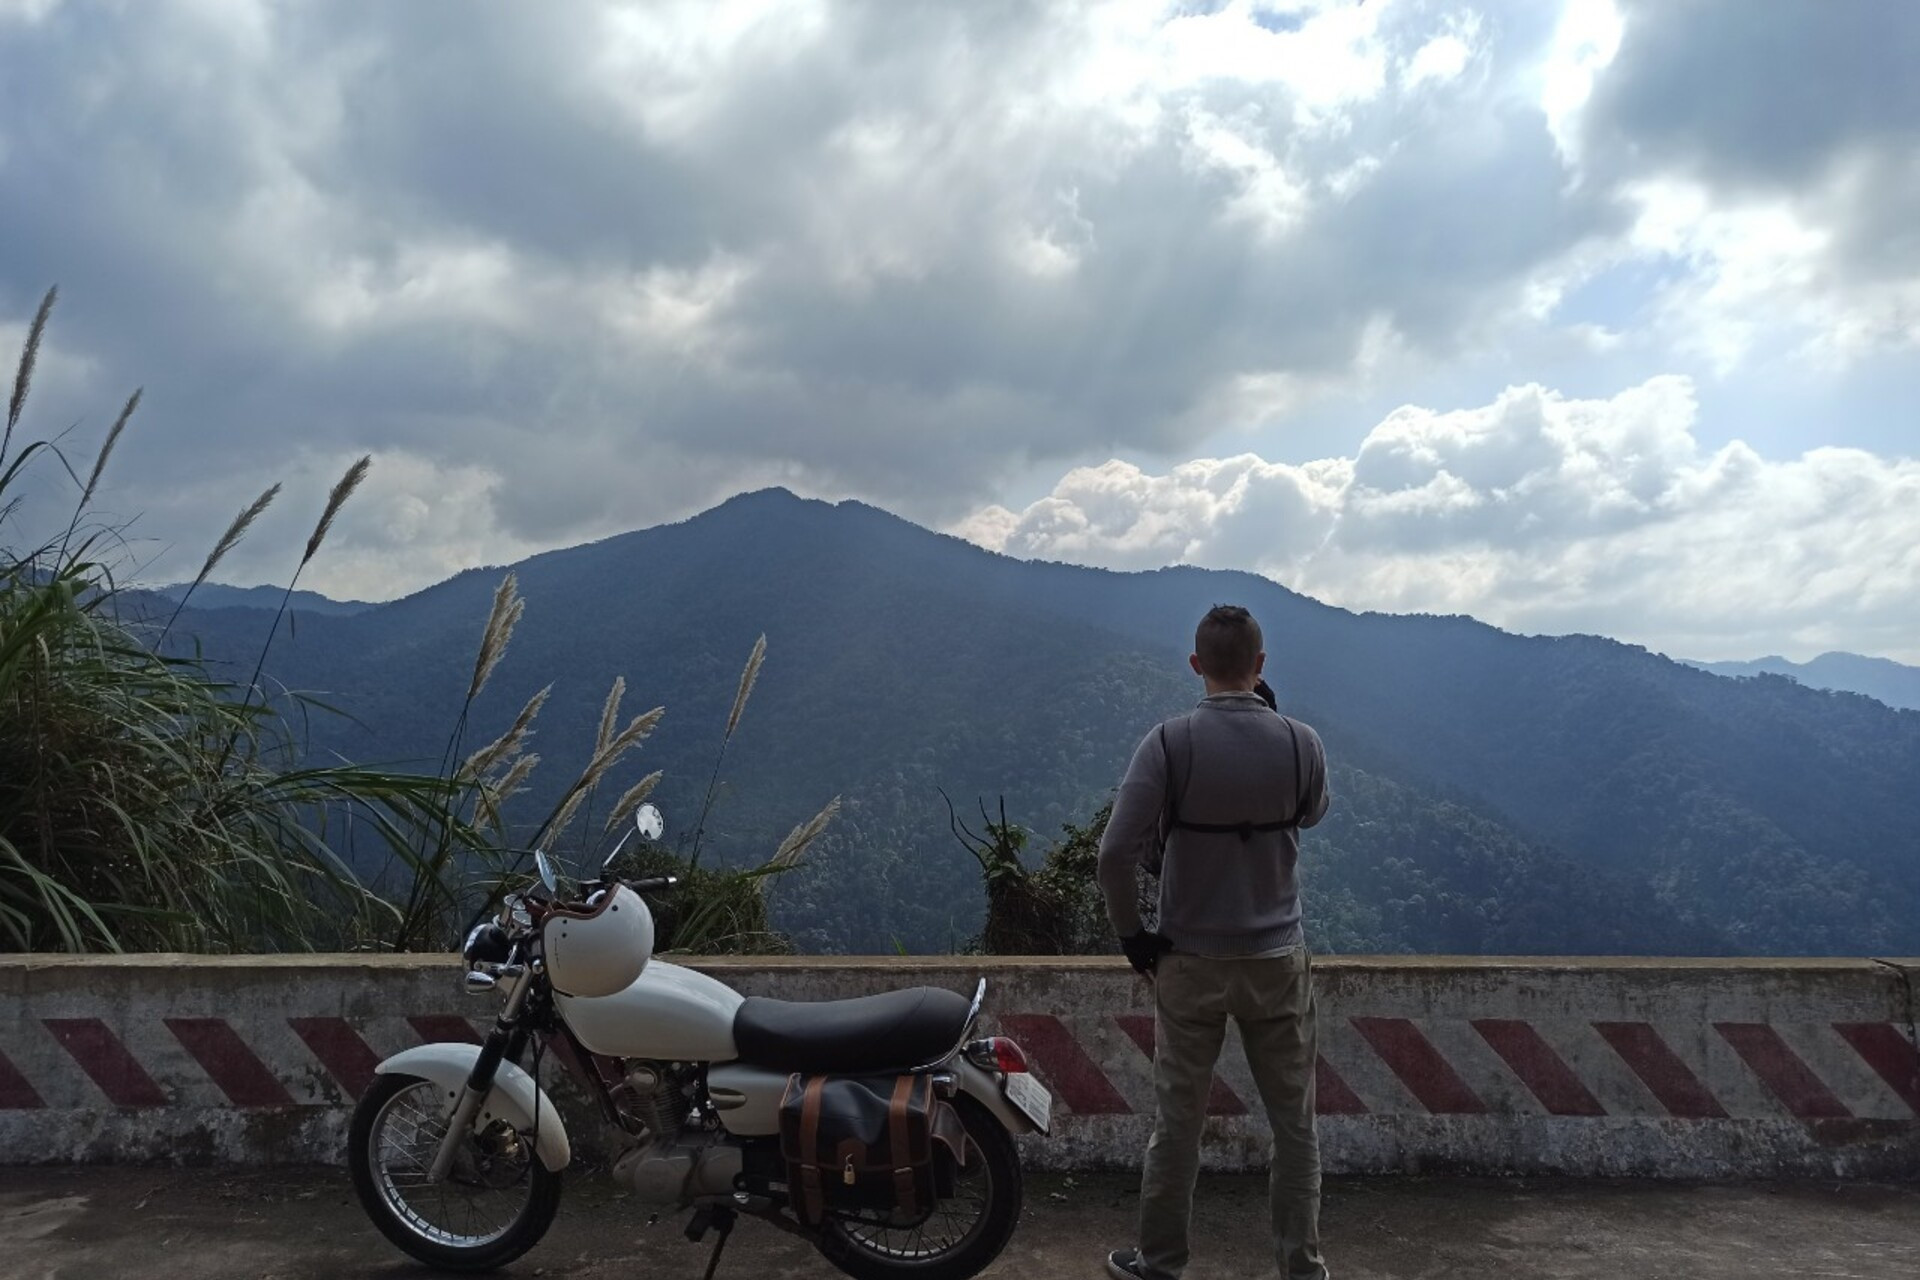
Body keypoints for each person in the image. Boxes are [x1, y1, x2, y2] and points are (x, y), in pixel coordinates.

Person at [1096, 604, 1332, 1280]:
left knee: (1178, 1123)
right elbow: (1312, 814)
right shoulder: (1302, 742)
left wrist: (1132, 937)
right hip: (1276, 961)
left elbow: (1115, 854)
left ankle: (1163, 1262)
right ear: (1260, 666)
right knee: (1294, 1125)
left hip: (1189, 959)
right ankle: (1302, 1266)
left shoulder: (1168, 744)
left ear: (1196, 665)